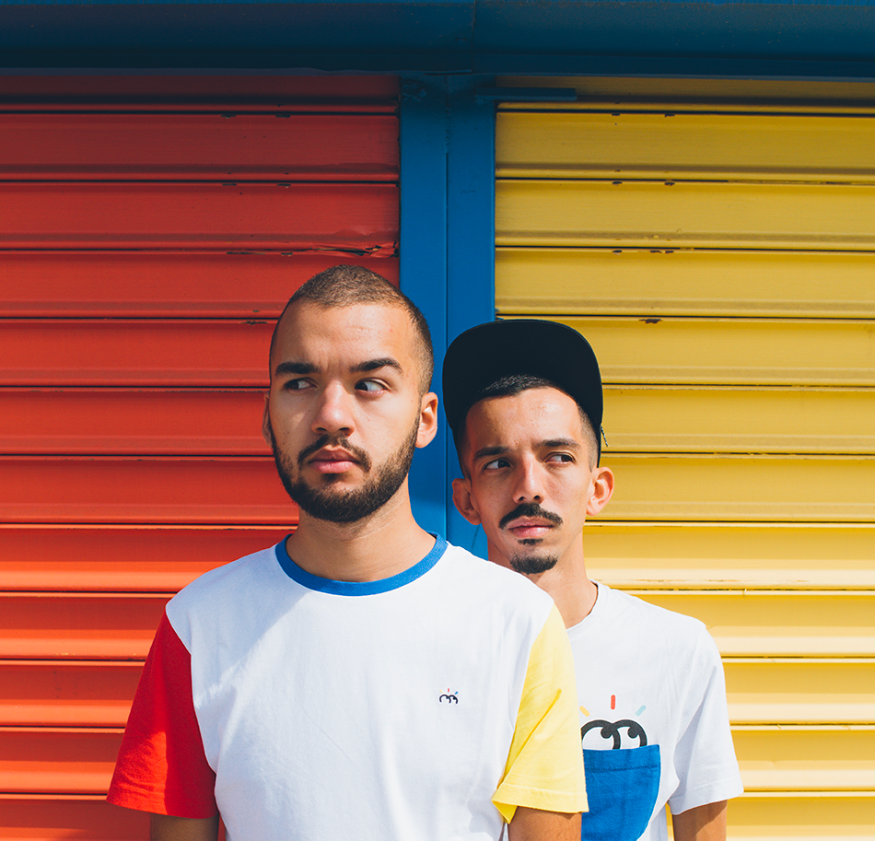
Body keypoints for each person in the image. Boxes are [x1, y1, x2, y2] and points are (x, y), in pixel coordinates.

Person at [107, 267, 587, 841]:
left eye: (370, 384)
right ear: (267, 417)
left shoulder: (518, 623)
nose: (331, 415)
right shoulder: (198, 625)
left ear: (425, 419)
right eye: (300, 383)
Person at [443, 319, 743, 841]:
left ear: (597, 488)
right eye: (498, 463)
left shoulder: (676, 650)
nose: (528, 488)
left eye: (558, 458)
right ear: (466, 498)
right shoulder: (429, 647)